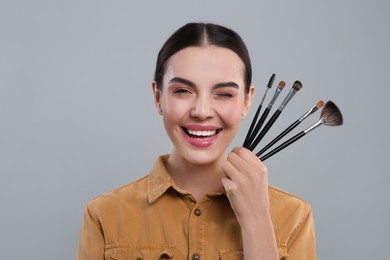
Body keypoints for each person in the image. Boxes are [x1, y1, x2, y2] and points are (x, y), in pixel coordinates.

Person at [77, 22, 316, 260]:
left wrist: (256, 221)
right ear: (158, 97)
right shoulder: (104, 215)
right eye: (182, 91)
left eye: (223, 94)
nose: (202, 111)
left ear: (247, 101)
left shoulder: (294, 217)